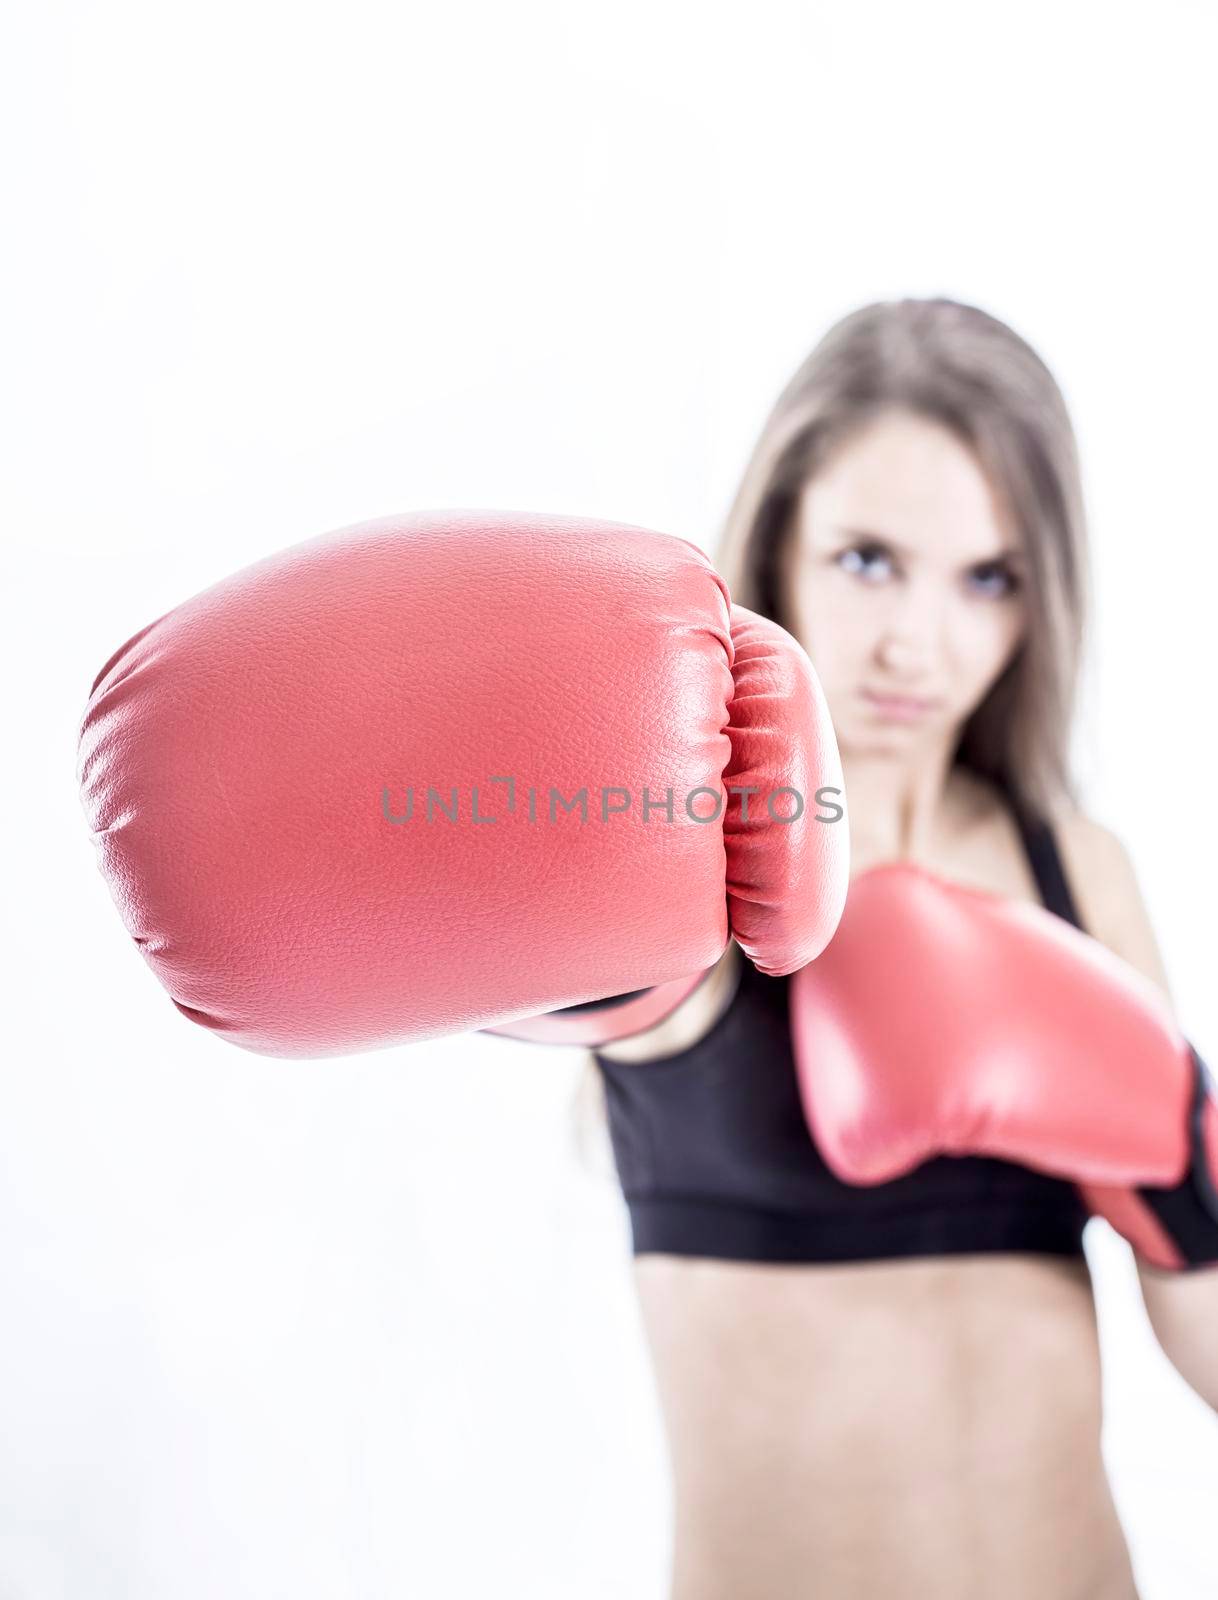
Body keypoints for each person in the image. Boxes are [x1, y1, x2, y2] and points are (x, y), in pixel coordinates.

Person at [589, 298, 1218, 1599]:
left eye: (986, 578)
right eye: (867, 560)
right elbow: (487, 946)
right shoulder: (662, 864)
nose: (913, 645)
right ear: (776, 545)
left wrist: (1183, 1161)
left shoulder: (1074, 871)